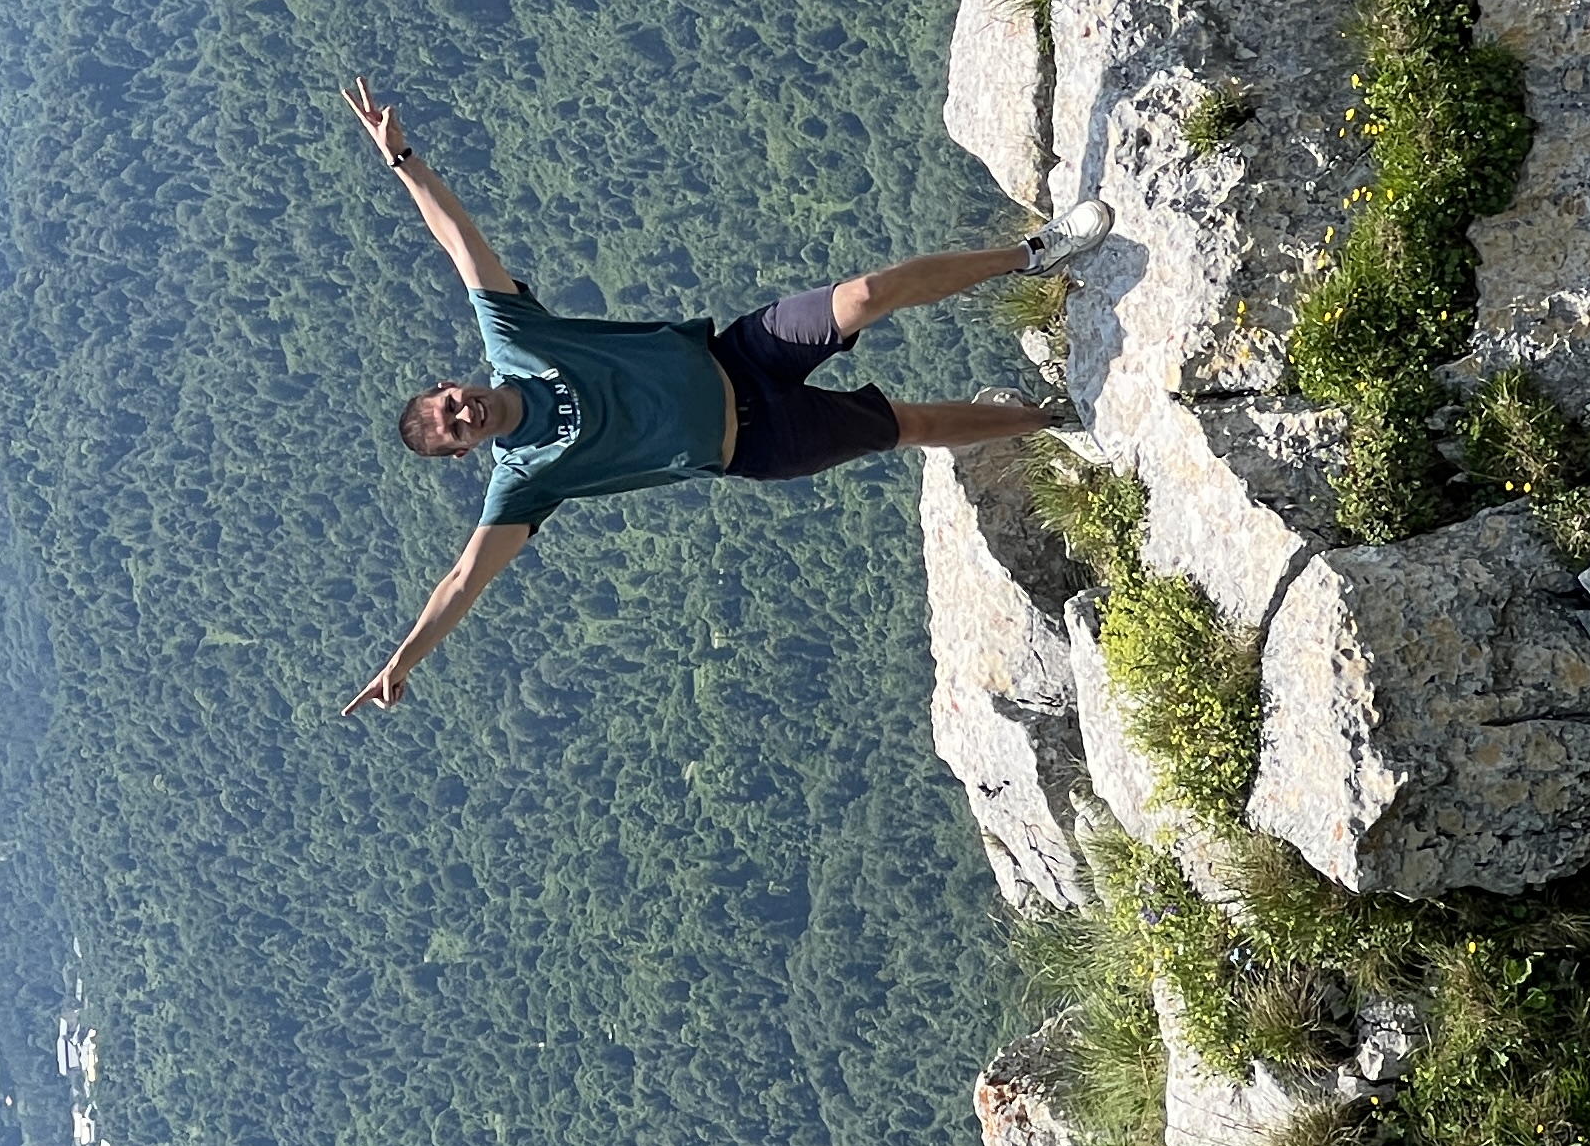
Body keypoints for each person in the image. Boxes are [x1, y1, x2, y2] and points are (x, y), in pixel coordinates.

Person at [339, 78, 1106, 713]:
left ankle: (1034, 253)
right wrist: (405, 658)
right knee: (911, 424)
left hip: (738, 353)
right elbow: (464, 579)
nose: (463, 415)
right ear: (466, 452)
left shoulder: (513, 337)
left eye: (451, 405)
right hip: (763, 444)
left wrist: (401, 159)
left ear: (450, 384)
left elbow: (458, 241)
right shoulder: (528, 477)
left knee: (867, 293)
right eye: (456, 433)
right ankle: (1049, 416)